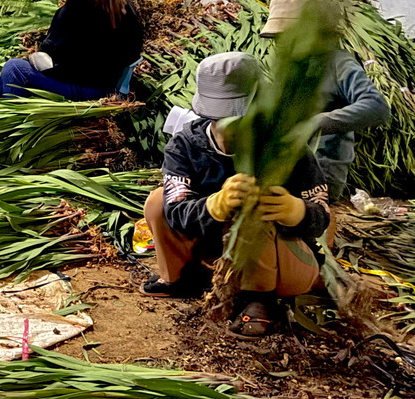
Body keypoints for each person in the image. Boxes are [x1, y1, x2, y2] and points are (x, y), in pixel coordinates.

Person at [141, 52, 332, 338]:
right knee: (158, 201)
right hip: (219, 254)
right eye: (221, 118)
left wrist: (296, 211)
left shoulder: (286, 147)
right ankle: (182, 278)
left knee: (256, 204)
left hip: (281, 264)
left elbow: (321, 215)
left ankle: (258, 301)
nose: (232, 127)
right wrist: (214, 206)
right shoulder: (185, 146)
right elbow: (177, 212)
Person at [261, 0, 390, 199]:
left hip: (320, 174)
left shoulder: (339, 63)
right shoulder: (291, 67)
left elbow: (377, 107)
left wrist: (317, 123)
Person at [0, 0, 143, 101]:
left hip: (90, 90)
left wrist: (34, 58)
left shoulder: (77, 9)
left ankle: (12, 122)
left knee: (14, 69)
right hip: (112, 83)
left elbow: (52, 59)